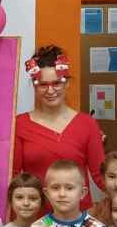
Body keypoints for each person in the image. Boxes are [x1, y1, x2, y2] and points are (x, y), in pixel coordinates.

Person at [13, 45, 106, 210]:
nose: (50, 90)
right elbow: (12, 177)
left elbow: (100, 176)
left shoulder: (87, 124)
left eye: (56, 83)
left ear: (67, 83)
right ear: (34, 85)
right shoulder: (19, 124)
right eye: (43, 84)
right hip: (34, 216)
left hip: (76, 218)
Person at [31, 160, 106, 227]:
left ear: (82, 193)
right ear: (47, 193)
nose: (62, 194)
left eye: (69, 188)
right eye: (55, 188)